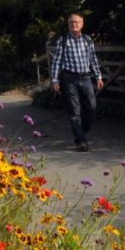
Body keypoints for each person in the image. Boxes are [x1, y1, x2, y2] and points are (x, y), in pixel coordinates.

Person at [50, 13, 103, 151]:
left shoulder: (88, 40)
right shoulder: (63, 41)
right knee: (74, 111)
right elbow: (56, 62)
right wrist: (55, 80)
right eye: (71, 23)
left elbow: (93, 59)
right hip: (69, 78)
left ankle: (79, 131)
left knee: (91, 108)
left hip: (86, 78)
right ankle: (81, 141)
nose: (74, 25)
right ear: (68, 25)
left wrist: (98, 76)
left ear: (82, 24)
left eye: (77, 22)